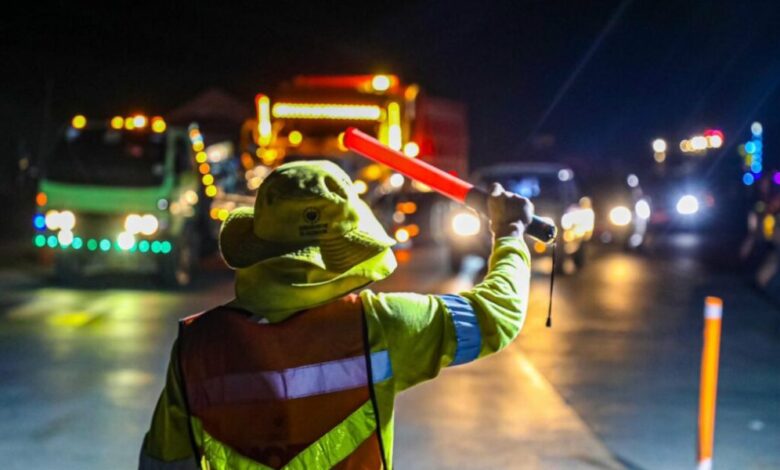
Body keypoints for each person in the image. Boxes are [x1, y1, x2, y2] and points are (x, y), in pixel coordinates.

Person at [139, 160, 534, 469]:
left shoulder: (198, 345)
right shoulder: (381, 325)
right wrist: (510, 233)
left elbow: (164, 462)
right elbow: (498, 314)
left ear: (259, 244)